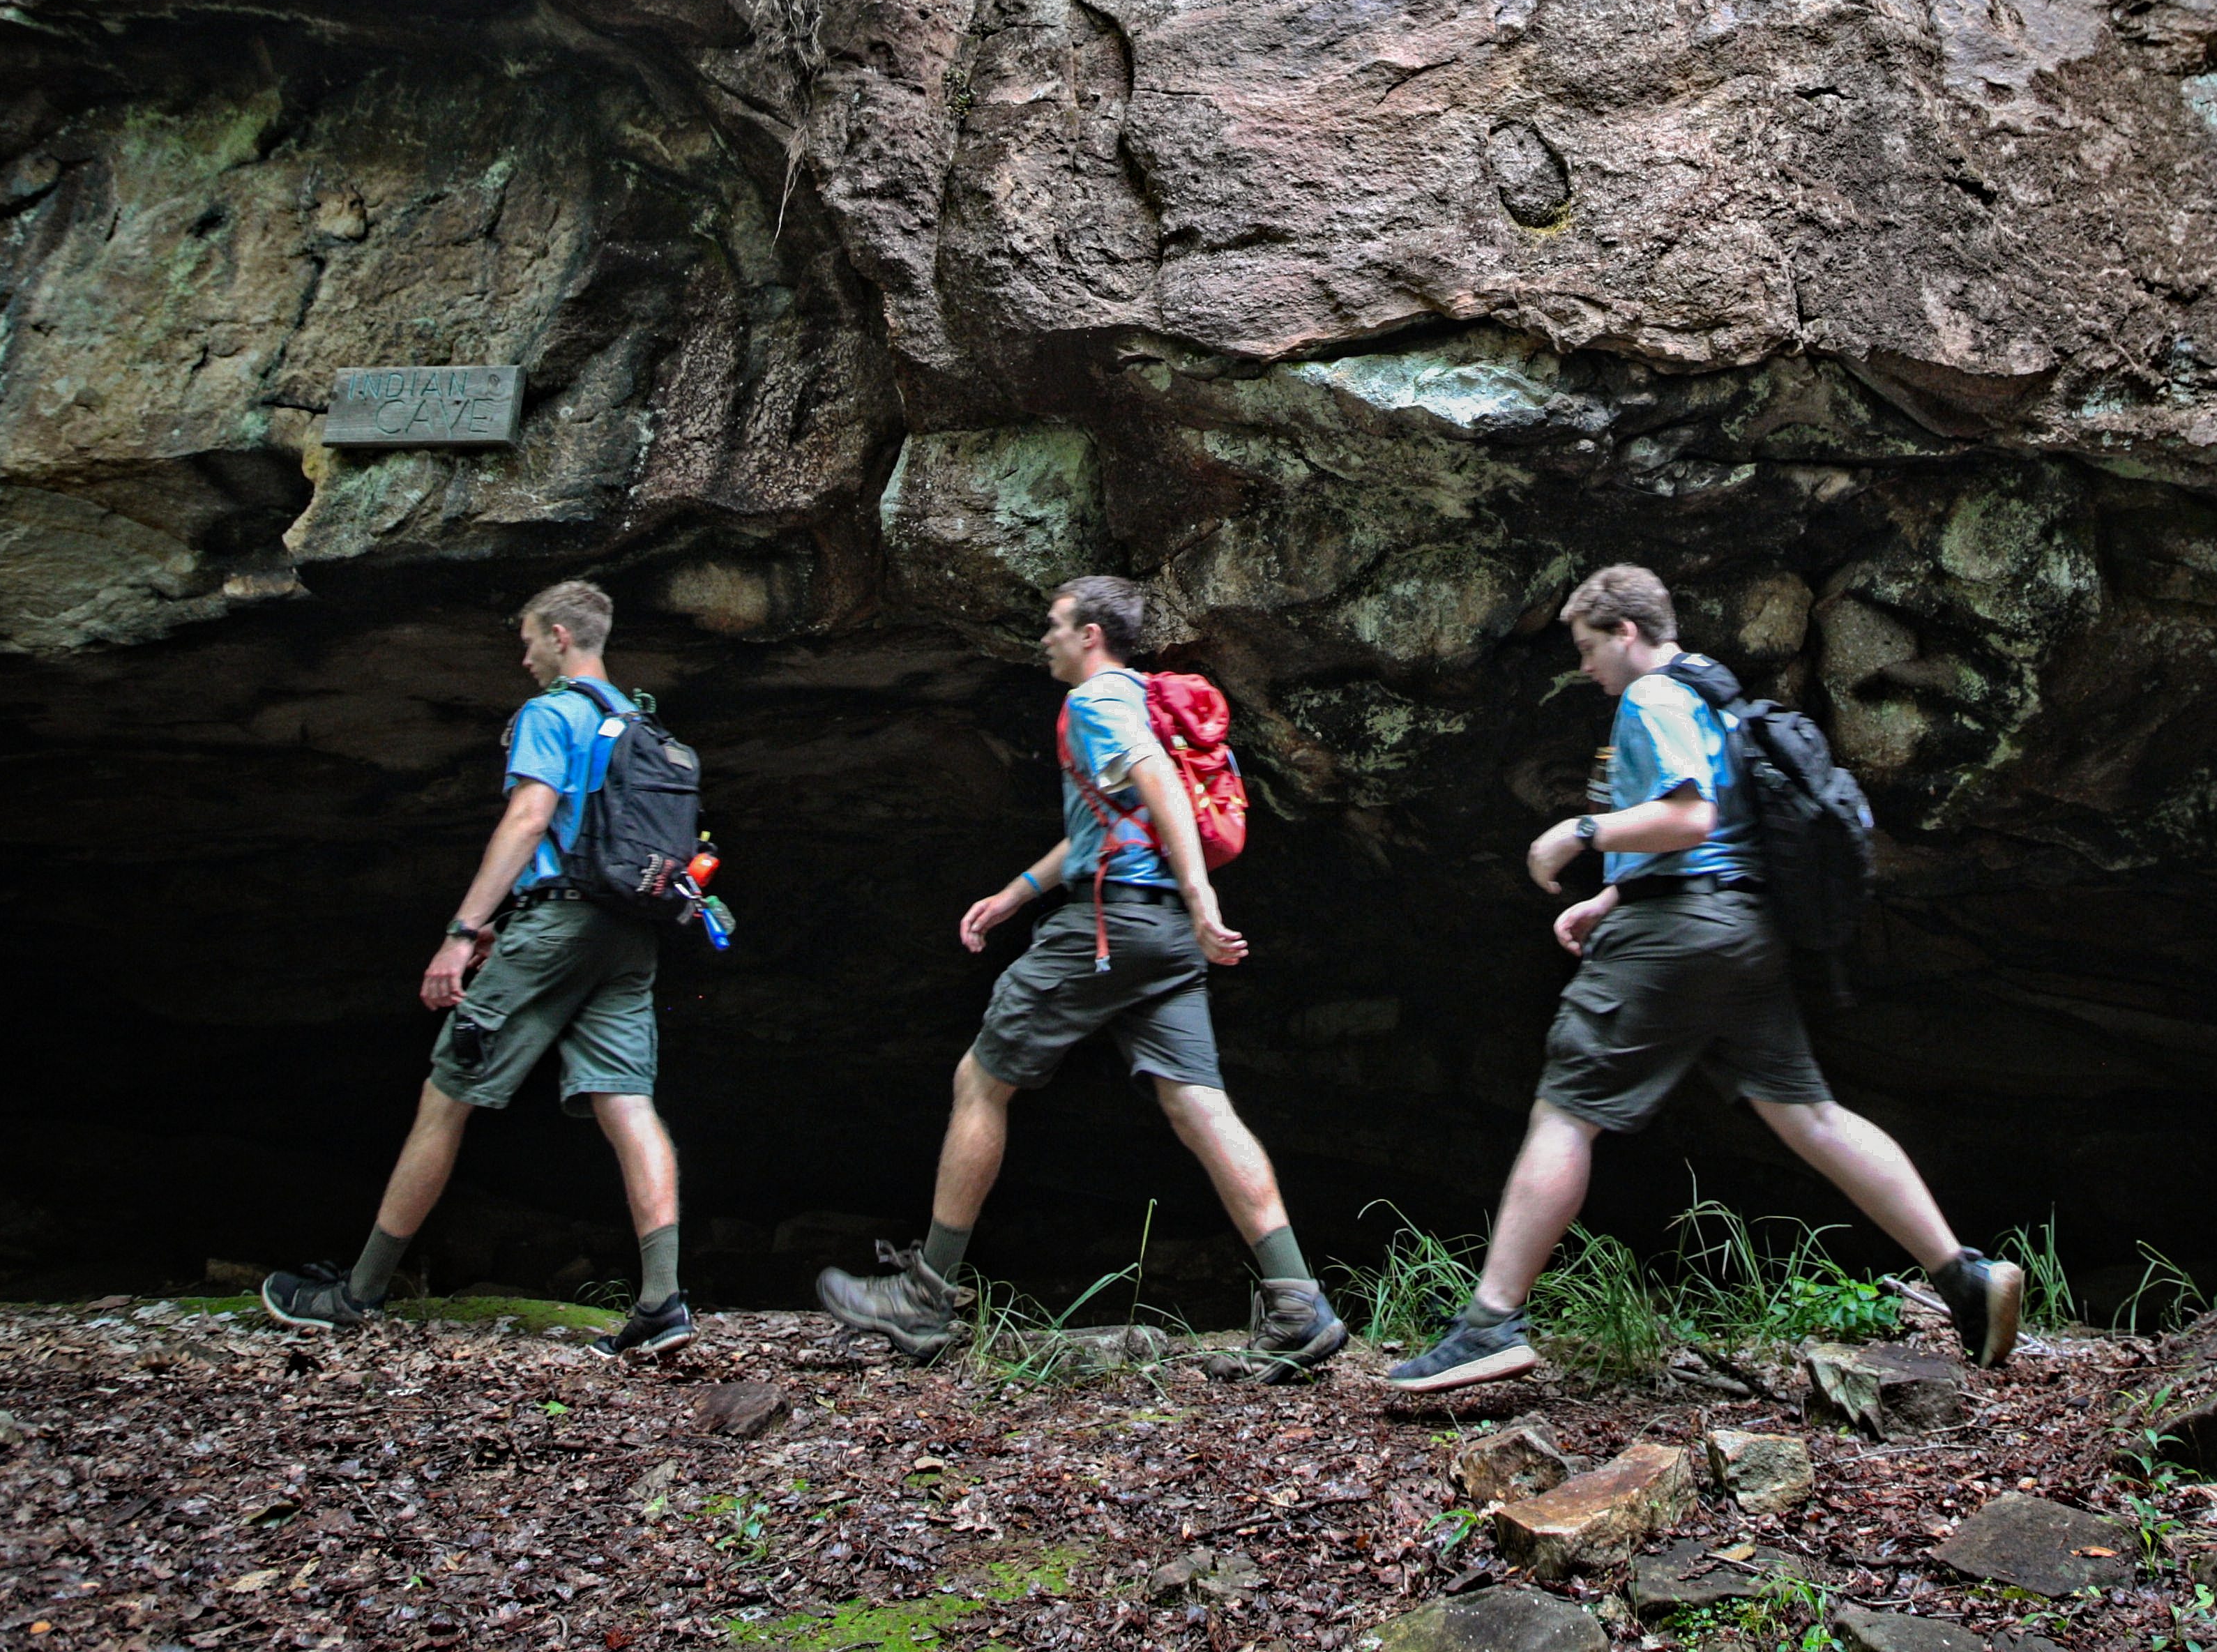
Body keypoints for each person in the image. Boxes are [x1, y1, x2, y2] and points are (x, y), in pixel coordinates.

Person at [1386, 564, 2026, 1391]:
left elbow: (1691, 819)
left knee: (1566, 1111)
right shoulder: (1712, 698)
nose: (1584, 667)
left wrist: (1577, 832)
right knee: (1813, 1117)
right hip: (1740, 931)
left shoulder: (1651, 698)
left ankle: (1490, 1325)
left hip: (1676, 938)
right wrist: (1613, 894)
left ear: (1625, 632)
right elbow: (1719, 836)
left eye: (1587, 647)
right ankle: (1963, 1276)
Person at [813, 576, 1349, 1377]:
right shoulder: (1136, 700)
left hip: (1117, 926)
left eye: (1055, 626)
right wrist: (1013, 895)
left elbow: (1158, 787)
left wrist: (1206, 902)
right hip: (1160, 929)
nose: (1045, 639)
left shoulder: (1098, 703)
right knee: (1200, 1105)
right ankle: (1298, 1305)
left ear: (1092, 633)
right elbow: (1109, 823)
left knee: (981, 1081)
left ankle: (925, 1299)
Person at [262, 581, 695, 1355]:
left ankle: (356, 1295)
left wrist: (465, 932)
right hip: (629, 931)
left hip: (560, 924)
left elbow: (530, 819)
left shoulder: (552, 713)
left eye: (528, 639)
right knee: (628, 1104)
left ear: (561, 636)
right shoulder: (636, 720)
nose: (523, 656)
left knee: (445, 1098)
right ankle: (663, 1303)